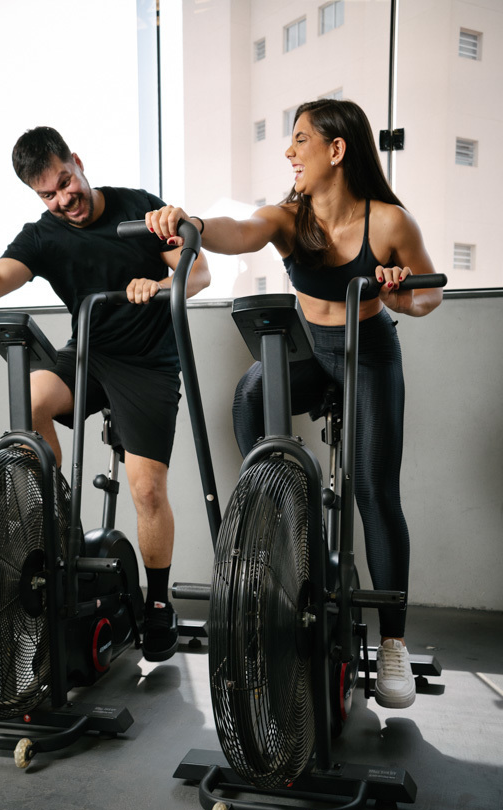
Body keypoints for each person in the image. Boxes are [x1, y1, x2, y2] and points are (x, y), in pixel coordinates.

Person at [145, 98, 443, 709]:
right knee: (251, 394)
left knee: (374, 491)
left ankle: (393, 642)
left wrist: (399, 296)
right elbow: (239, 231)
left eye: (300, 139)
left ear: (337, 149)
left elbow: (429, 294)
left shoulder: (389, 223)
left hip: (368, 355)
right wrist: (193, 224)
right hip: (310, 351)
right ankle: (282, 519)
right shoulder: (288, 218)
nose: (289, 151)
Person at [0, 126, 210, 664]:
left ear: (77, 161)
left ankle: (158, 602)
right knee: (31, 397)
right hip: (89, 352)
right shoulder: (43, 236)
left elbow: (199, 274)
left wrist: (161, 287)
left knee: (147, 491)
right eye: (48, 194)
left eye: (66, 182)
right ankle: (58, 520)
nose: (64, 199)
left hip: (147, 364)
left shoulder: (139, 208)